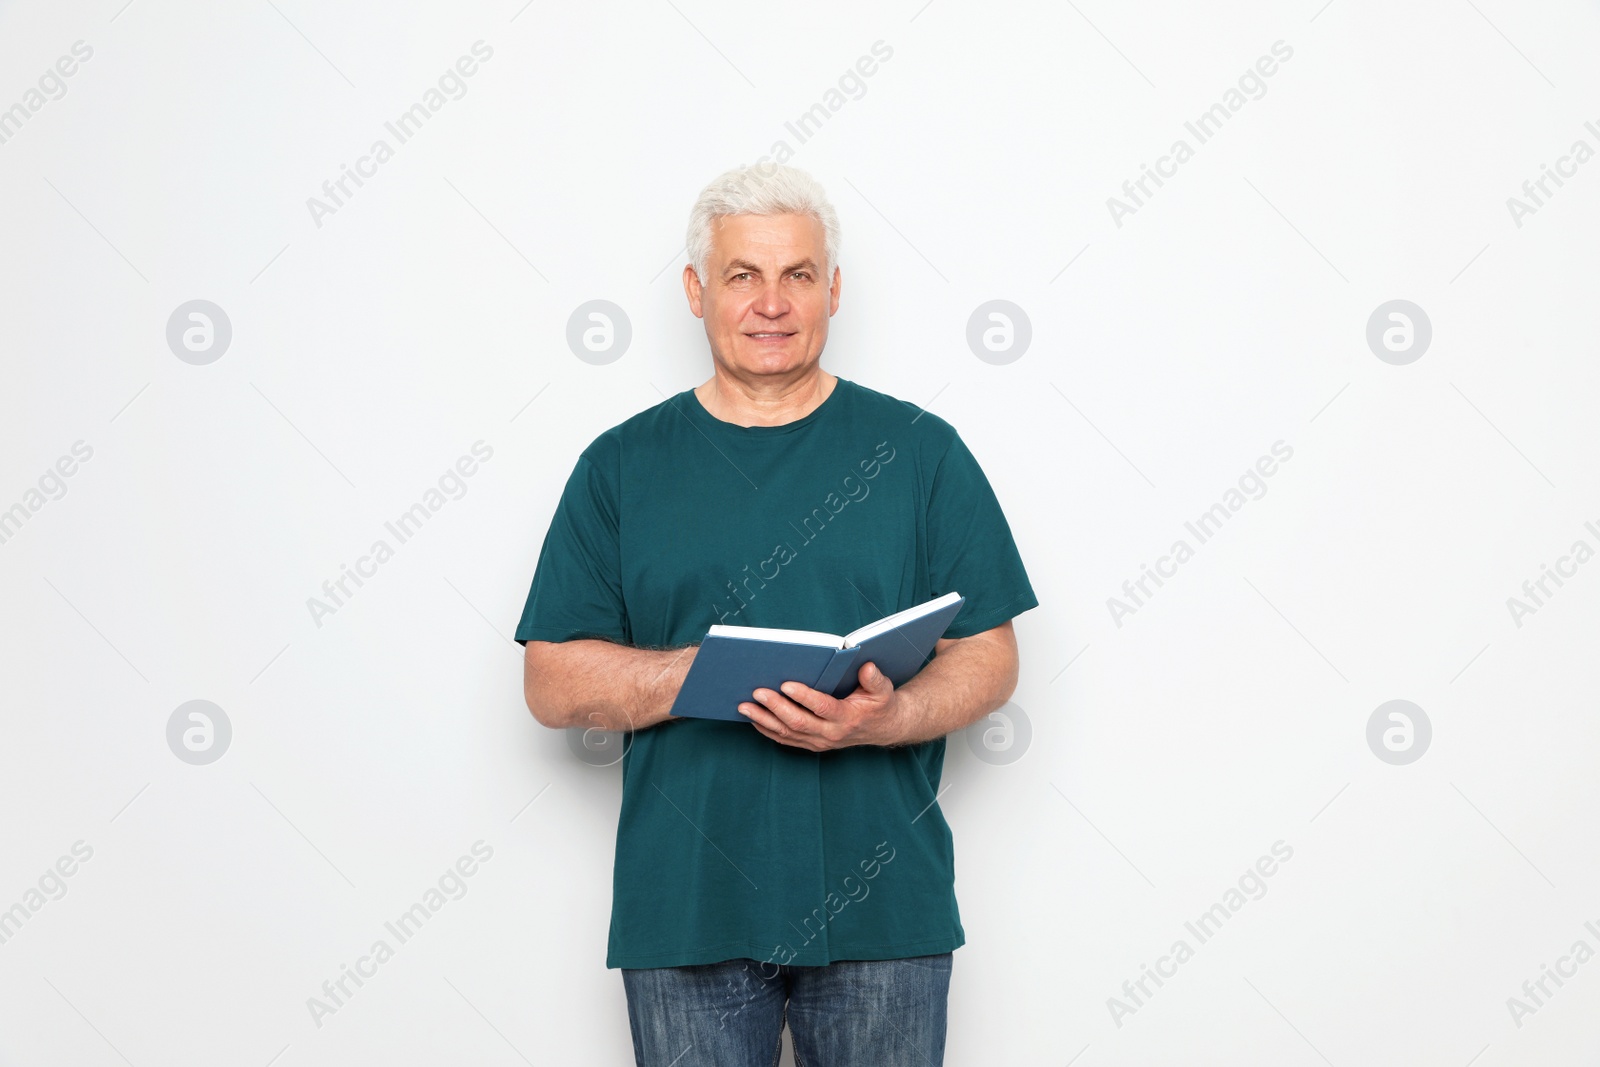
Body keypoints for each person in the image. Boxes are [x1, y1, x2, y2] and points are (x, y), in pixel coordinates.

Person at [515, 162, 1037, 1067]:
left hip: (886, 912)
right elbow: (551, 681)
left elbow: (990, 650)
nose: (772, 302)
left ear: (833, 288)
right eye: (742, 275)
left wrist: (894, 717)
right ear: (696, 291)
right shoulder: (621, 467)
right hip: (686, 910)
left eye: (797, 274)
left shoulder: (919, 452)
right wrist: (701, 672)